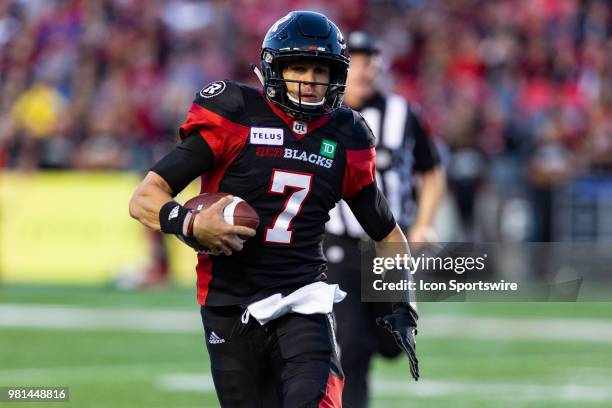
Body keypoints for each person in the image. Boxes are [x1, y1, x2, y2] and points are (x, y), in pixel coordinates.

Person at [129, 12, 418, 407]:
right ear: (272, 67)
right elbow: (146, 196)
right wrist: (190, 223)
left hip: (304, 298)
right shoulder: (234, 112)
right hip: (228, 304)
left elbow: (386, 233)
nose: (311, 80)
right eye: (298, 66)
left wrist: (400, 299)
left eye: (321, 70)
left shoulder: (347, 134)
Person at [324, 31, 445, 407]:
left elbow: (433, 169)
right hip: (336, 244)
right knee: (351, 347)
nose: (362, 70)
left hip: (388, 245)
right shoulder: (323, 114)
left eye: (368, 62)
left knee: (395, 341)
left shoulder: (402, 113)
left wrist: (424, 221)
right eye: (354, 62)